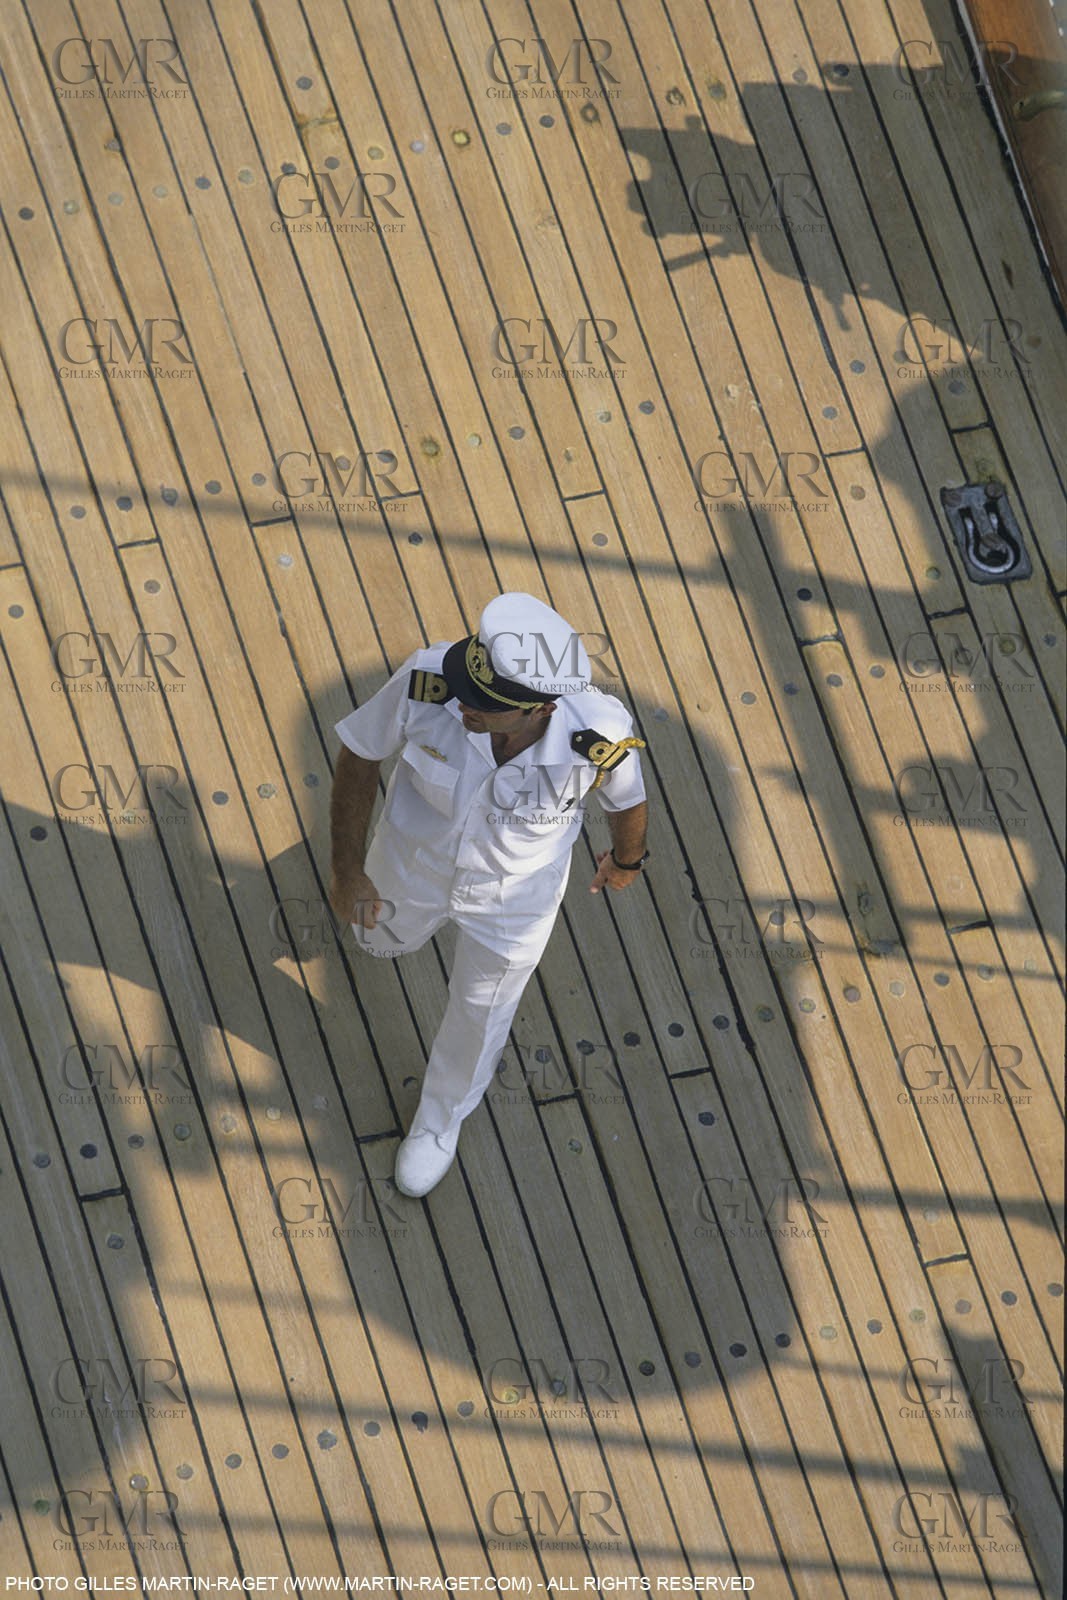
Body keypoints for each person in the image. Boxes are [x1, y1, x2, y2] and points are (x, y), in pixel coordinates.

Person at [328, 592, 649, 1198]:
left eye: (485, 705)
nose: (463, 705)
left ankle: (438, 1123)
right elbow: (361, 755)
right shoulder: (429, 678)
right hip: (409, 865)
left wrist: (627, 860)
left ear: (542, 707)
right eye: (465, 687)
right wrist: (347, 872)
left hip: (513, 902)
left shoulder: (598, 734)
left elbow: (627, 799)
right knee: (376, 938)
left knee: (479, 1018)